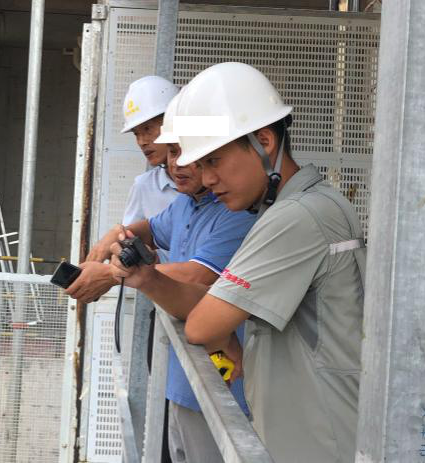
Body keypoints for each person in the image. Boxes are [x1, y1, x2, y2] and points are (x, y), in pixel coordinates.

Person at [109, 62, 365, 463]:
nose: (205, 177)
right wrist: (146, 278)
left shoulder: (295, 217)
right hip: (312, 433)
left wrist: (221, 333)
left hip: (321, 440)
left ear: (263, 141)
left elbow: (203, 324)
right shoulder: (303, 206)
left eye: (213, 160)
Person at [68, 92, 256, 463]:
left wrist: (111, 274)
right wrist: (115, 234)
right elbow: (151, 229)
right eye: (170, 153)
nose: (177, 165)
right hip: (184, 380)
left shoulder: (236, 211)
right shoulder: (188, 203)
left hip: (224, 389)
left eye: (189, 153)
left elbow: (197, 277)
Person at [120, 75, 180, 229]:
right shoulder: (143, 186)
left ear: (173, 122)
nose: (141, 141)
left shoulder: (212, 182)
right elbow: (130, 240)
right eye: (136, 133)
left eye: (147, 129)